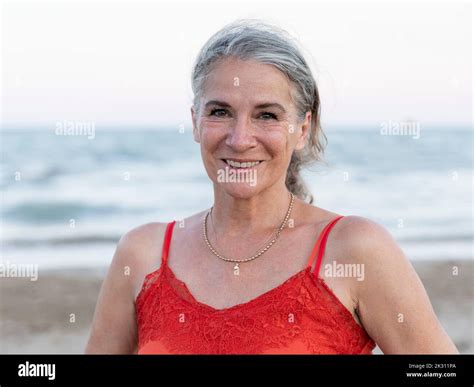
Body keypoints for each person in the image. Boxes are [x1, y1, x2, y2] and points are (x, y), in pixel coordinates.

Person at [85, 19, 458, 354]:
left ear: (302, 129)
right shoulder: (142, 254)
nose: (240, 138)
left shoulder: (354, 249)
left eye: (267, 115)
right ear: (195, 122)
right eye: (220, 112)